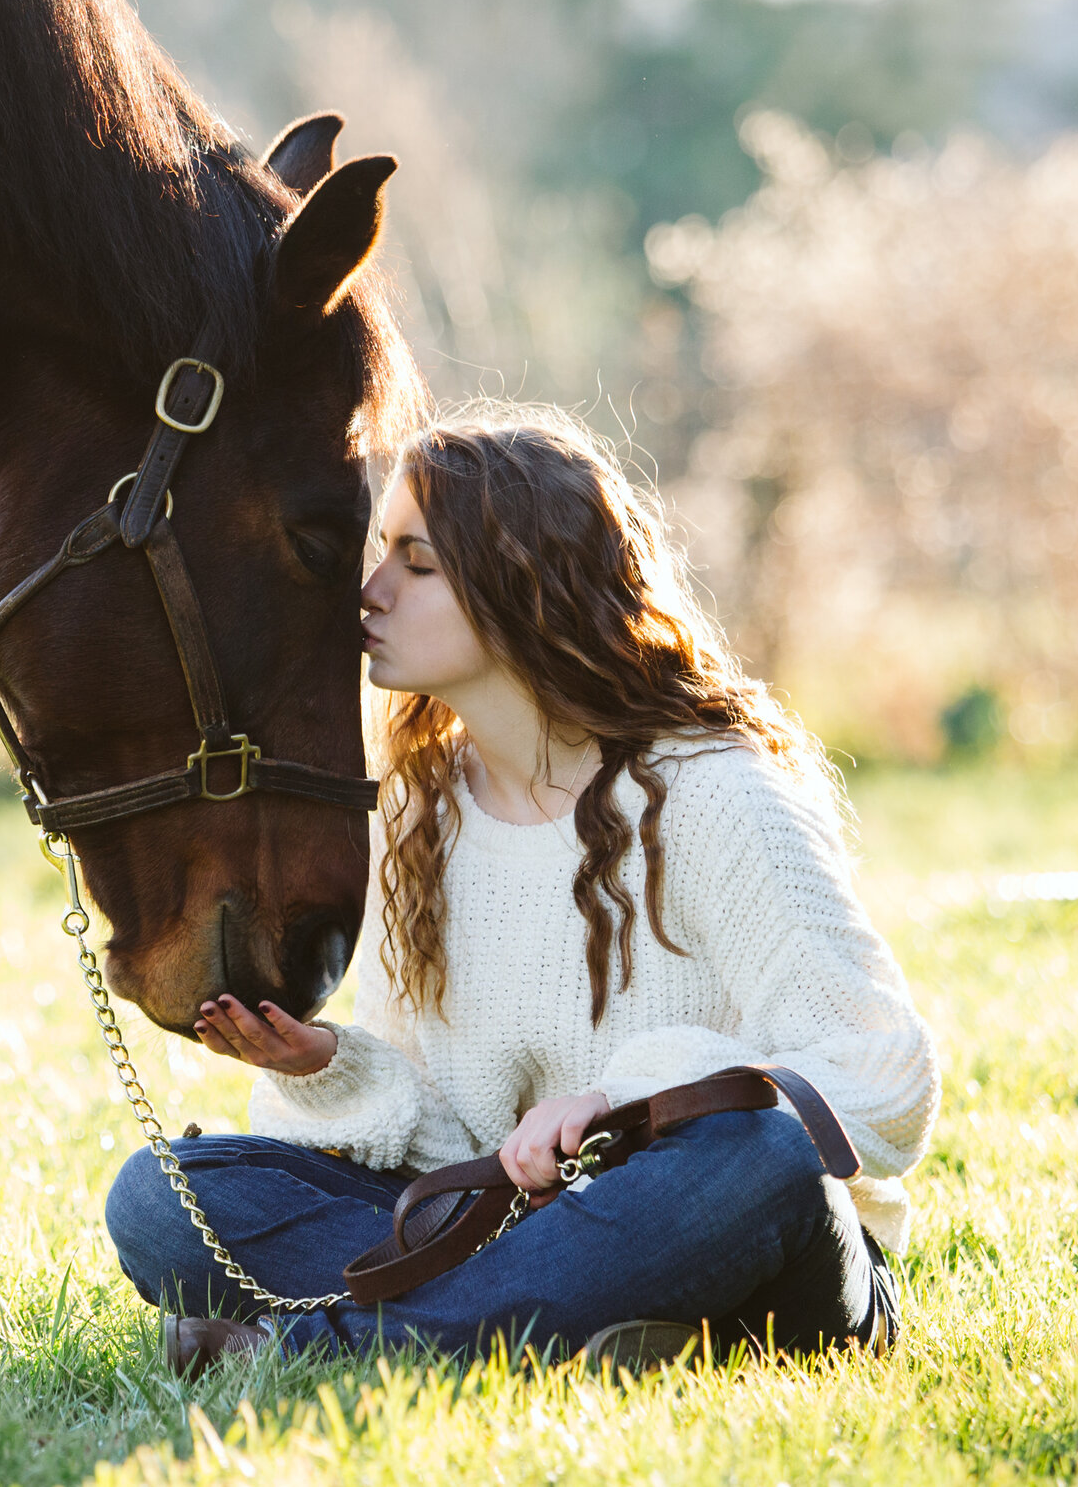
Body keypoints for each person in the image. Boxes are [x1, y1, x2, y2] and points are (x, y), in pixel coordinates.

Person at [103, 404, 940, 1373]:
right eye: (381, 555)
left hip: (750, 1244)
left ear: (524, 582)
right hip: (510, 1225)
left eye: (415, 563)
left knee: (756, 1154)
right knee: (167, 1196)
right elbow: (451, 1139)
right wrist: (326, 1064)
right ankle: (572, 1328)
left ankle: (318, 1351)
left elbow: (883, 1078)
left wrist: (619, 1101)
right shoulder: (417, 811)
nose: (368, 591)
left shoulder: (713, 789)